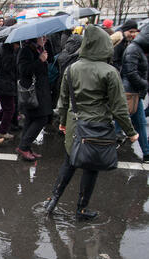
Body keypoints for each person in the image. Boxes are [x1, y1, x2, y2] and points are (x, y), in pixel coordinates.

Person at [45, 25, 139, 220]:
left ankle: (52, 200)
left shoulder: (72, 68)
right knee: (90, 166)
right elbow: (119, 106)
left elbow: (63, 100)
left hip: (74, 122)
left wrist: (62, 121)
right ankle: (81, 209)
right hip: (97, 126)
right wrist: (131, 132)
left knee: (70, 160)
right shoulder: (110, 71)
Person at [16, 36, 53, 161]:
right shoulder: (25, 50)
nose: (45, 39)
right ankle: (24, 146)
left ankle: (25, 147)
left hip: (40, 89)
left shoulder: (38, 49)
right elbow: (23, 70)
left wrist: (44, 55)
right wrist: (40, 60)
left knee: (31, 119)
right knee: (42, 118)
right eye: (42, 37)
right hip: (33, 91)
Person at [120, 24, 149, 163]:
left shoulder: (135, 49)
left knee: (138, 122)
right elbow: (131, 73)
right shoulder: (133, 49)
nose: (132, 34)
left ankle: (147, 153)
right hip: (130, 93)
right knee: (122, 121)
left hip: (133, 92)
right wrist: (144, 84)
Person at [0, 40, 20, 140]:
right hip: (5, 85)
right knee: (10, 109)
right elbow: (7, 69)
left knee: (7, 107)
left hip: (4, 84)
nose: (18, 46)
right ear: (12, 44)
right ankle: (2, 131)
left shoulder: (5, 51)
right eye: (17, 44)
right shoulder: (8, 54)